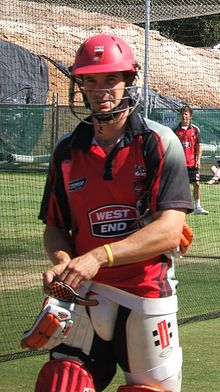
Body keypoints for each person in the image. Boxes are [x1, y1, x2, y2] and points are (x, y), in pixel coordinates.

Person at [22, 34, 193, 392]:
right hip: (86, 291)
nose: (101, 90)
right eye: (90, 80)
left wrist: (99, 256)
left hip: (143, 290)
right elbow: (55, 226)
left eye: (111, 79)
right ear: (79, 85)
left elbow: (168, 231)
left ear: (129, 81)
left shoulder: (159, 143)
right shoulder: (66, 151)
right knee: (61, 384)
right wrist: (63, 263)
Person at [173, 105, 209, 215]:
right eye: (182, 114)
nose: (184, 116)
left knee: (196, 184)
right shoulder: (175, 130)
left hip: (192, 163)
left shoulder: (195, 130)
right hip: (180, 163)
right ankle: (178, 208)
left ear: (190, 116)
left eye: (186, 114)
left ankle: (198, 207)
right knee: (179, 186)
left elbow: (199, 146)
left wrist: (198, 160)